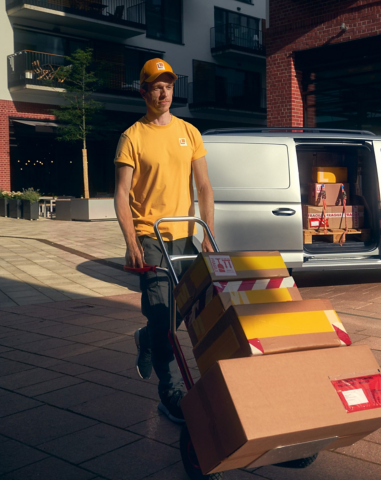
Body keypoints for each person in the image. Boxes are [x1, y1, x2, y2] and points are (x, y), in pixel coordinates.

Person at [113, 58, 215, 424]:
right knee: (163, 317)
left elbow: (204, 186)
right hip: (150, 236)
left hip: (186, 235)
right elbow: (122, 194)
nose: (164, 91)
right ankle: (170, 394)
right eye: (156, 85)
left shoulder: (190, 131)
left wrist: (207, 231)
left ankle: (146, 335)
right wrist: (131, 239)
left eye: (169, 84)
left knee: (187, 311)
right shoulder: (132, 137)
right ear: (144, 91)